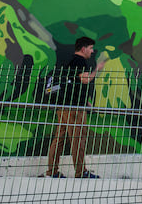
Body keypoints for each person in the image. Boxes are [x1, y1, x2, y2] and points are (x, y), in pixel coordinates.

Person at [45, 36, 107, 179]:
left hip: (63, 106)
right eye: (91, 48)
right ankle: (81, 172)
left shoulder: (70, 61)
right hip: (74, 109)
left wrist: (85, 101)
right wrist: (97, 69)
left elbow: (73, 84)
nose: (92, 52)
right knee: (78, 138)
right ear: (84, 48)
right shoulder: (80, 61)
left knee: (59, 138)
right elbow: (85, 80)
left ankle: (52, 171)